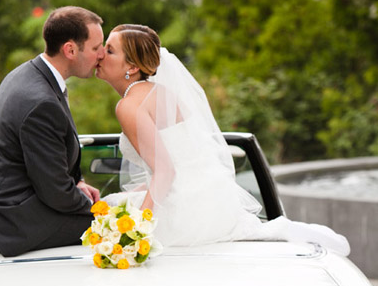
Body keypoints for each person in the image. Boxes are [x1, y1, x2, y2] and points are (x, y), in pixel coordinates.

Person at [95, 24, 350, 254]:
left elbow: (165, 172)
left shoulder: (129, 105)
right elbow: (175, 163)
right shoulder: (162, 94)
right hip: (207, 198)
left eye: (110, 50)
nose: (100, 54)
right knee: (116, 203)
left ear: (132, 66)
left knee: (109, 210)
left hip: (186, 211)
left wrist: (138, 229)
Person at [0, 6, 104, 262]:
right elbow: (55, 191)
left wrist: (77, 184)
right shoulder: (40, 101)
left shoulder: (28, 74)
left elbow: (47, 163)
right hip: (7, 223)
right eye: (96, 48)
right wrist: (96, 209)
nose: (101, 55)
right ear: (70, 50)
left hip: (4, 208)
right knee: (114, 226)